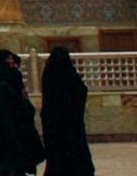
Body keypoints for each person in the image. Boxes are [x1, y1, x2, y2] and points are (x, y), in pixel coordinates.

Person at [0, 49, 45, 176]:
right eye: (8, 59)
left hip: (5, 139)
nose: (11, 62)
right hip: (4, 139)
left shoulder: (3, 82)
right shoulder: (1, 86)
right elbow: (12, 112)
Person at [39, 46, 95, 176]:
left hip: (54, 126)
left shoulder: (49, 73)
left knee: (57, 159)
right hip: (72, 126)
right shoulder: (69, 75)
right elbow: (80, 92)